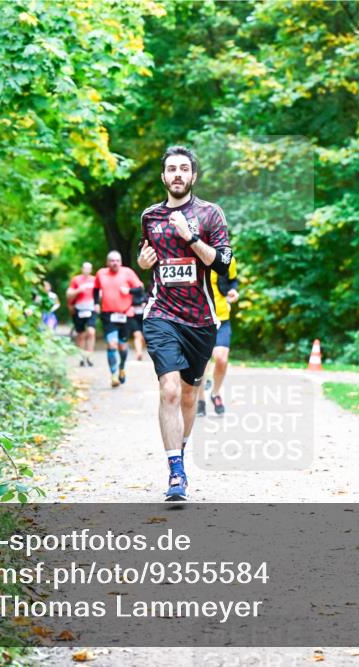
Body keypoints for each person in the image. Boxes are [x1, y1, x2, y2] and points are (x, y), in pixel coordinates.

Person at [137, 145, 233, 501]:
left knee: (190, 397)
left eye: (184, 169)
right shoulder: (150, 216)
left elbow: (222, 263)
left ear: (193, 176)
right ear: (163, 176)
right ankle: (176, 471)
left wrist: (191, 238)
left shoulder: (210, 214)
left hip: (201, 319)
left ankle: (181, 449)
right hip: (161, 313)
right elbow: (147, 257)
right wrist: (143, 262)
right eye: (171, 169)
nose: (177, 175)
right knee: (170, 390)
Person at [196, 257, 239, 416]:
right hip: (200, 318)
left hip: (221, 316)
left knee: (221, 359)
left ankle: (215, 393)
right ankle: (200, 399)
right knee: (202, 362)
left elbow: (233, 280)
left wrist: (233, 291)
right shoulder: (194, 255)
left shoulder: (227, 258)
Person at [93, 251, 143, 388]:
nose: (115, 263)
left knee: (122, 346)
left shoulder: (128, 272)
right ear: (107, 262)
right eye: (112, 261)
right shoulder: (101, 273)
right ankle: (113, 375)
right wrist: (96, 303)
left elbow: (140, 289)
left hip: (125, 314)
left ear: (120, 262)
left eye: (117, 260)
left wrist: (129, 291)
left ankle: (121, 367)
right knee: (112, 344)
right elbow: (96, 289)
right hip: (108, 315)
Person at [67, 262, 97, 367]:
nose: (87, 270)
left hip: (91, 308)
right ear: (82, 269)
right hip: (79, 309)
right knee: (81, 335)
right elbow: (69, 294)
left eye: (89, 268)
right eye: (85, 268)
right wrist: (77, 291)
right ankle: (81, 358)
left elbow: (99, 293)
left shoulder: (94, 280)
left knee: (91, 332)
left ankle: (89, 356)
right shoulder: (76, 280)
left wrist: (98, 303)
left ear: (91, 269)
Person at [129, 285, 148, 360]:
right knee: (137, 335)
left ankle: (140, 351)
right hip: (133, 318)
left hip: (143, 318)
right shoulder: (130, 296)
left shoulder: (146, 296)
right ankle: (139, 353)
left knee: (142, 337)